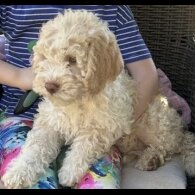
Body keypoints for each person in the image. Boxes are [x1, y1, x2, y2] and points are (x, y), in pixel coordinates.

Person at [0, 5, 183, 189]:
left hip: (100, 133)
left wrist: (114, 128)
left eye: (72, 61)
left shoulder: (114, 10)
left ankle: (168, 149)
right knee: (24, 180)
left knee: (99, 183)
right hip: (20, 119)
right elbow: (45, 128)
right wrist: (17, 76)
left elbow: (146, 76)